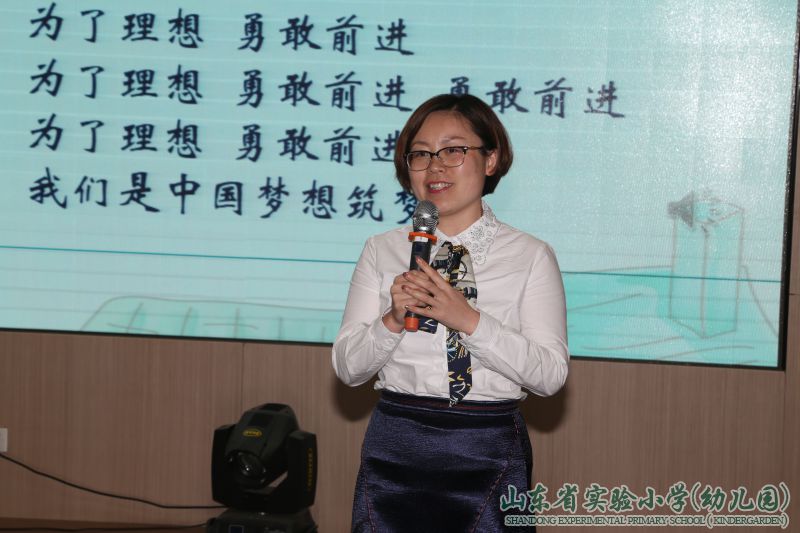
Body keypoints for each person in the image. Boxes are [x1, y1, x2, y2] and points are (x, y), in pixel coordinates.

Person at [332, 93, 568, 532]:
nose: (435, 167)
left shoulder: (530, 255)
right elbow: (348, 368)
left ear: (491, 159)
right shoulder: (382, 249)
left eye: (453, 151)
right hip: (395, 446)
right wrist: (391, 319)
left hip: (487, 447)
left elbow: (550, 375)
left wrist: (468, 321)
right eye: (421, 154)